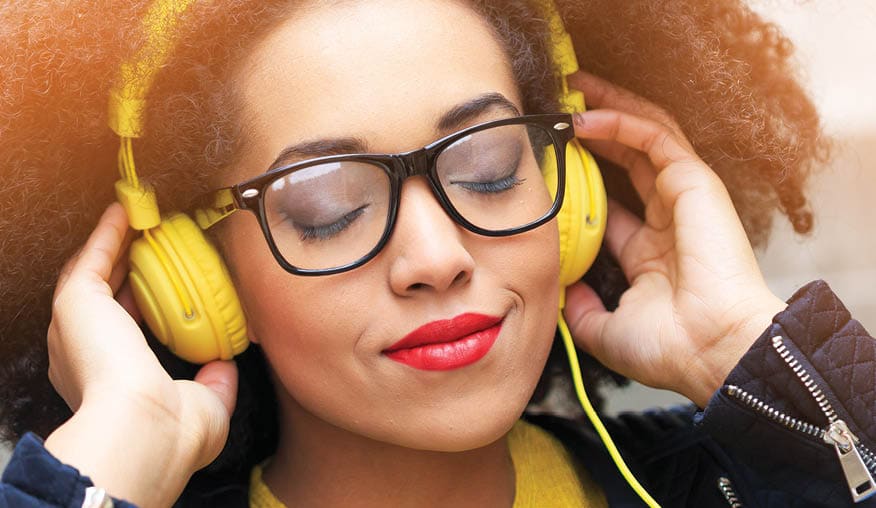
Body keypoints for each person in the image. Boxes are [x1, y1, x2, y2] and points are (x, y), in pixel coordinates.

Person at [0, 0, 871, 506]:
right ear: (198, 277)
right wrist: (114, 454)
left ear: (573, 198)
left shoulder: (726, 482)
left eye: (489, 169)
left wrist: (753, 356)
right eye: (330, 207)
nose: (436, 254)